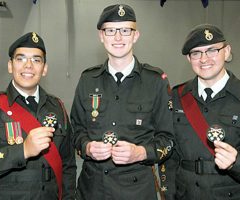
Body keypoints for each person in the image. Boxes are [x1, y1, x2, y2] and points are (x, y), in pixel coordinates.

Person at [70, 4, 174, 200]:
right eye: (110, 31)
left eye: (125, 30)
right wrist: (87, 148)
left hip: (137, 191)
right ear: (101, 36)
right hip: (92, 189)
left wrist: (141, 153)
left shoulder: (155, 81)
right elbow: (75, 131)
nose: (118, 38)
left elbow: (169, 138)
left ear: (136, 35)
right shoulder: (87, 80)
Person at [160, 24, 240, 200]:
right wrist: (169, 193)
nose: (204, 59)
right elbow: (170, 156)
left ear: (227, 52)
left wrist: (237, 163)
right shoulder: (176, 97)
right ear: (189, 59)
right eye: (196, 53)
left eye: (212, 50)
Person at [0, 32, 76, 199]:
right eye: (20, 58)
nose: (28, 65)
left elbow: (68, 166)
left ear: (44, 69)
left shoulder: (57, 108)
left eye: (36, 60)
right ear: (10, 65)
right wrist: (22, 151)